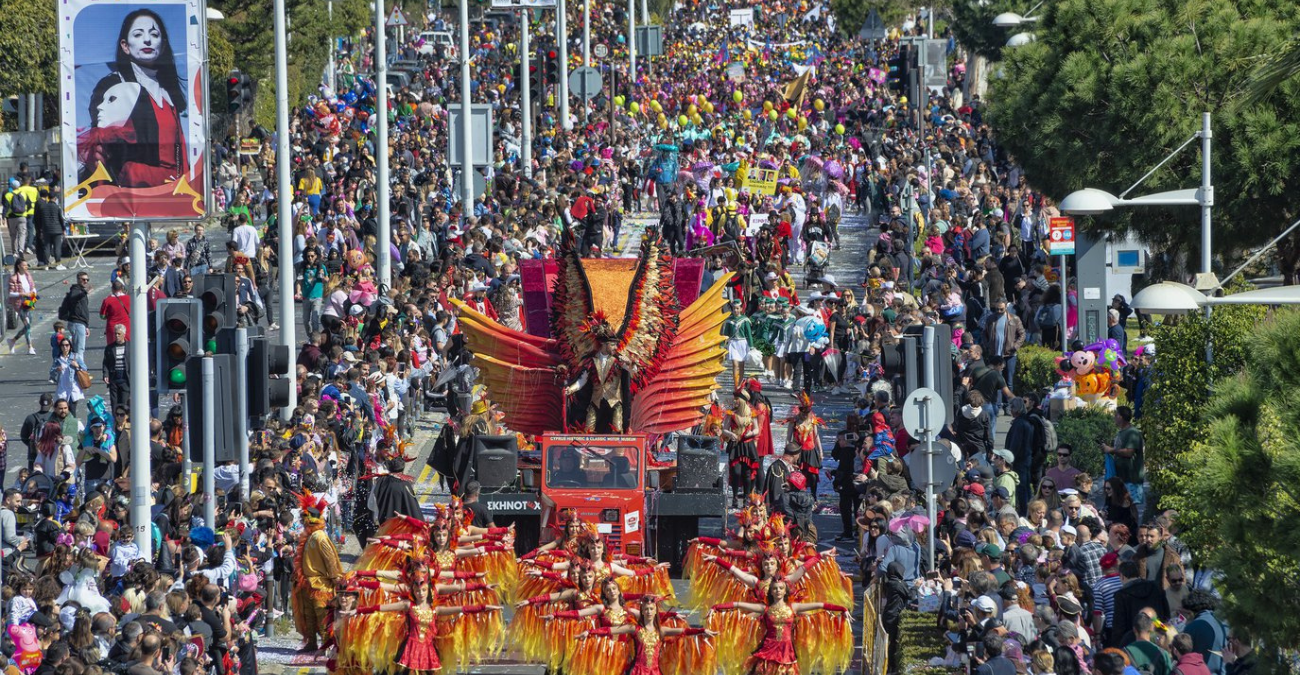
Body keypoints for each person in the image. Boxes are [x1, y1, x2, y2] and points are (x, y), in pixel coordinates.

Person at [81, 8, 189, 188]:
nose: (147, 39)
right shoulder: (113, 85)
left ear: (162, 45)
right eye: (138, 34)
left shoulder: (168, 95)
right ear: (125, 46)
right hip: (132, 191)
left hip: (172, 191)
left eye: (154, 34)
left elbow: (181, 155)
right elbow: (101, 145)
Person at [1103, 406, 1146, 520]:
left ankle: (1135, 529)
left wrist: (1111, 450)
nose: (1114, 417)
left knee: (1131, 505)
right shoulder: (1121, 432)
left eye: (1116, 415)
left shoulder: (1132, 432)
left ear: (1121, 417)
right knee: (1121, 505)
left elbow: (1129, 452)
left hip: (1131, 477)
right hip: (1121, 477)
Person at [58, 271, 92, 360]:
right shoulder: (76, 290)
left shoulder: (80, 291)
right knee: (79, 350)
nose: (86, 281)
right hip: (77, 323)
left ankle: (77, 370)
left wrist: (86, 326)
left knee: (78, 349)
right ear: (78, 280)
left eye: (87, 280)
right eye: (83, 279)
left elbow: (83, 310)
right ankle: (80, 371)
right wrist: (84, 292)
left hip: (80, 324)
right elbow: (73, 296)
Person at [7, 258, 37, 354]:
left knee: (29, 323)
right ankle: (30, 347)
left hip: (29, 301)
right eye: (24, 265)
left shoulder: (28, 275)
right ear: (19, 266)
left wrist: (33, 293)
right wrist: (23, 294)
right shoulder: (14, 278)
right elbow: (10, 293)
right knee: (27, 324)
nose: (26, 267)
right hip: (20, 303)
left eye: (26, 265)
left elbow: (33, 287)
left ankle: (13, 340)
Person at [102, 324, 131, 412]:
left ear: (124, 334)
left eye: (119, 334)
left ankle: (123, 422)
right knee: (114, 404)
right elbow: (105, 363)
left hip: (126, 378)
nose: (117, 336)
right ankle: (115, 422)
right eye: (115, 334)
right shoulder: (110, 348)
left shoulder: (131, 346)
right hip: (114, 378)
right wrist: (105, 374)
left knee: (124, 404)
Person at [34, 189, 65, 270]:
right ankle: (58, 264)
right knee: (57, 247)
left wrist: (40, 230)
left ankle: (46, 264)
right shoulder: (57, 207)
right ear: (55, 198)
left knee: (46, 247)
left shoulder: (43, 207)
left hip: (46, 230)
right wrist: (63, 229)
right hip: (57, 230)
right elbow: (61, 219)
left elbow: (40, 219)